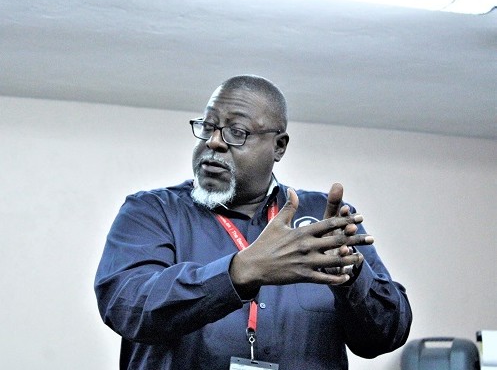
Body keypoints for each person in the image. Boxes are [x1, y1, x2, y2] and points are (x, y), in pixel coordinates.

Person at [94, 74, 412, 370]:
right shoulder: (153, 211)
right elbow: (127, 306)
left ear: (279, 146)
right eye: (208, 127)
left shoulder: (322, 221)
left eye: (236, 132)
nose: (214, 142)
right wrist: (240, 272)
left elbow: (385, 337)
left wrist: (352, 279)